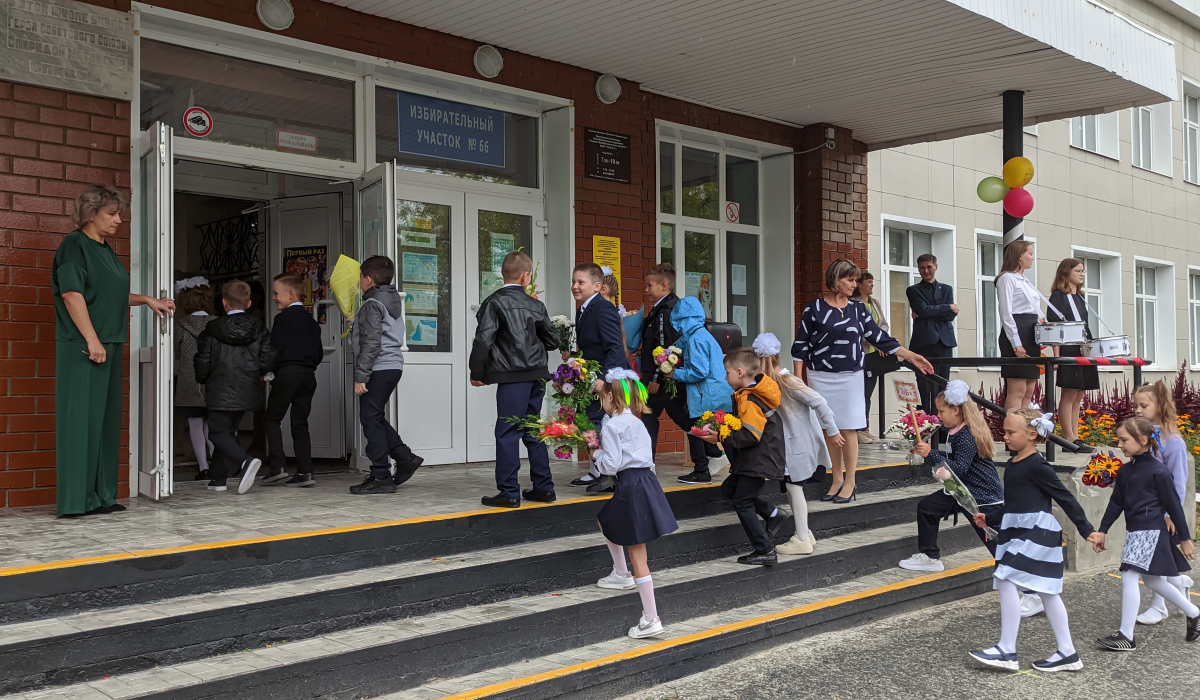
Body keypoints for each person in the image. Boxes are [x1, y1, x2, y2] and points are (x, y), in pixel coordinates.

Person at [53, 184, 175, 517]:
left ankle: (102, 496)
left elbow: (108, 294)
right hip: (83, 346)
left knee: (105, 423)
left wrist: (147, 299)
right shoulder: (74, 246)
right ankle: (76, 502)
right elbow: (72, 294)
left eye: (119, 213)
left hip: (110, 342)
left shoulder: (105, 249)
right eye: (112, 213)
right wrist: (92, 340)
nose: (119, 220)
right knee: (81, 424)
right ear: (91, 214)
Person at [969, 407, 1102, 673]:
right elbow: (1014, 503)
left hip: (1037, 532)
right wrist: (991, 515)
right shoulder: (1014, 462)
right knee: (1047, 591)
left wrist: (1087, 531)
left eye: (1010, 432)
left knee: (1007, 577)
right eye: (1004, 431)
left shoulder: (1038, 465)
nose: (1004, 436)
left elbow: (1065, 497)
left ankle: (1007, 650)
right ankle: (1067, 652)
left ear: (1032, 434)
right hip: (1019, 530)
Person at [792, 260, 934, 503]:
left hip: (851, 377)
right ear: (835, 280)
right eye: (849, 280)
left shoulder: (858, 310)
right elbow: (800, 346)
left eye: (856, 280)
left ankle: (850, 482)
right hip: (820, 376)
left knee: (848, 428)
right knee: (829, 428)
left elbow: (881, 339)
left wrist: (912, 356)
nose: (854, 284)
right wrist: (798, 380)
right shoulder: (814, 308)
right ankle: (836, 478)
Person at [1093, 417, 1199, 650]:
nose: (1119, 445)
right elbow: (1115, 503)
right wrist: (1102, 531)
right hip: (1136, 531)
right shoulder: (1125, 471)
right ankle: (1194, 612)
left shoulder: (1159, 472)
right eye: (1118, 440)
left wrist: (1185, 538)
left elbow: (1174, 507)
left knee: (1129, 576)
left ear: (1142, 440)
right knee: (1152, 581)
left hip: (1150, 531)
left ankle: (1126, 635)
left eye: (1124, 440)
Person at [593, 368, 679, 639]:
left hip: (630, 484)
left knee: (637, 554)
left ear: (609, 396)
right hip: (646, 482)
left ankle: (650, 617)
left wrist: (596, 453)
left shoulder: (611, 425)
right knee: (606, 519)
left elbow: (611, 465)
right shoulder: (637, 422)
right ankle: (621, 574)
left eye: (603, 397)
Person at [470, 251, 559, 508]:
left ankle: (509, 491)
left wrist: (477, 372)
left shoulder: (493, 303)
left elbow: (483, 339)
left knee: (508, 431)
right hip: (536, 375)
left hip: (511, 377)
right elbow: (552, 341)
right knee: (533, 429)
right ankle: (544, 488)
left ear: (503, 274)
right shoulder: (535, 304)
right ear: (526, 276)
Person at [697, 347, 791, 567]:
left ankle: (764, 549)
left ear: (740, 372)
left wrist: (720, 436)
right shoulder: (753, 392)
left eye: (727, 373)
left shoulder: (749, 399)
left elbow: (751, 435)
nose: (725, 377)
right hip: (757, 458)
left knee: (742, 501)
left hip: (757, 459)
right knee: (730, 489)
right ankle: (774, 514)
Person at [899, 380, 1004, 572]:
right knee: (927, 508)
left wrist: (930, 454)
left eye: (941, 412)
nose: (939, 417)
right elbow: (953, 461)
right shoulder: (957, 431)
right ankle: (930, 557)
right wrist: (928, 453)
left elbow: (959, 468)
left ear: (955, 410)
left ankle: (1024, 581)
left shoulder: (966, 435)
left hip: (980, 496)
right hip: (960, 489)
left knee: (994, 541)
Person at [754, 333, 840, 556]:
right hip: (792, 445)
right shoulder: (776, 381)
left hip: (796, 445)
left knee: (794, 488)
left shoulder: (785, 381)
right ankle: (804, 532)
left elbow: (819, 401)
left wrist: (832, 430)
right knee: (793, 488)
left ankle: (802, 537)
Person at [350, 256, 423, 495]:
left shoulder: (372, 304)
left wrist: (361, 375)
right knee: (374, 416)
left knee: (370, 419)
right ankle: (404, 457)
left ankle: (380, 474)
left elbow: (371, 342)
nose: (359, 281)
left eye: (360, 277)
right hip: (392, 366)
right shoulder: (388, 300)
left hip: (379, 366)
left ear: (368, 279)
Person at [193, 280, 274, 495]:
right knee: (227, 432)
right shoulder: (259, 328)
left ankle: (246, 461)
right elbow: (267, 358)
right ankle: (218, 479)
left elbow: (203, 360)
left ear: (223, 303)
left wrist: (201, 379)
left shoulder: (211, 330)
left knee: (217, 433)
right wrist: (262, 374)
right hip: (248, 388)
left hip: (219, 387)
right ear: (248, 304)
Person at [637, 265, 715, 477]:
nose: (646, 289)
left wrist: (655, 377)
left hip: (663, 379)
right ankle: (708, 452)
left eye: (649, 285)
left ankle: (705, 459)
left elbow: (664, 348)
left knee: (676, 419)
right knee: (668, 419)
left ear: (664, 286)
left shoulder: (666, 312)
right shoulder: (663, 308)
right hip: (665, 377)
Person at [1131, 381, 1195, 625]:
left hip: (1162, 513)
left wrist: (1170, 515)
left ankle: (1160, 606)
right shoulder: (1141, 437)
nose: (1138, 409)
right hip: (1145, 509)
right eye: (1136, 405)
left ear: (1160, 406)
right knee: (1156, 561)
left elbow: (1178, 483)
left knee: (1155, 563)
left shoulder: (1173, 442)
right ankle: (1180, 584)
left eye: (1144, 405)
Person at [568, 262, 630, 492]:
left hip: (605, 379)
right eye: (573, 282)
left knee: (601, 424)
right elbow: (592, 345)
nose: (575, 286)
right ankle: (597, 470)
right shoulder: (584, 308)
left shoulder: (603, 309)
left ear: (597, 286)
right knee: (588, 422)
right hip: (591, 377)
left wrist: (605, 379)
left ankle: (609, 475)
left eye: (580, 282)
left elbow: (614, 347)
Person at [262, 272, 324, 487]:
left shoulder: (282, 319)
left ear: (290, 294)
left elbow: (274, 349)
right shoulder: (311, 321)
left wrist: (265, 370)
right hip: (308, 376)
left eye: (276, 293)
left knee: (272, 419)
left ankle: (277, 467)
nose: (274, 298)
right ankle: (306, 472)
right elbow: (318, 353)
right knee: (300, 423)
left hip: (287, 374)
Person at [669, 296, 734, 484]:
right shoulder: (699, 334)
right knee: (706, 429)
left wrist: (674, 374)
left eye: (679, 321)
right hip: (712, 392)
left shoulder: (695, 340)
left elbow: (699, 371)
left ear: (684, 320)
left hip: (705, 393)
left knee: (695, 429)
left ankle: (701, 470)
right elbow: (680, 344)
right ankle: (719, 459)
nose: (677, 326)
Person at [1047, 258, 1099, 446]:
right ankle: (1068, 438)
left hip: (1083, 347)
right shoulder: (1058, 296)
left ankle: (1076, 436)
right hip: (1068, 347)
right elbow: (1055, 327)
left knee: (1079, 393)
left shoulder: (1080, 297)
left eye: (1083, 270)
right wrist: (1057, 356)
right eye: (1077, 270)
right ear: (1066, 272)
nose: (1081, 274)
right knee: (1069, 393)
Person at [905, 253, 958, 418]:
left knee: (943, 385)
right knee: (924, 386)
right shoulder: (913, 290)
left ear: (936, 266)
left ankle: (943, 425)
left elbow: (950, 316)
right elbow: (922, 310)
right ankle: (926, 423)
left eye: (929, 267)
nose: (926, 270)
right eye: (922, 268)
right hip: (924, 342)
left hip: (944, 341)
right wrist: (948, 307)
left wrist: (931, 312)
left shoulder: (947, 289)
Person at [175, 277, 215, 481]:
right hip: (214, 380)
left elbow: (176, 352)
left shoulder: (181, 325)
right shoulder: (217, 324)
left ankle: (203, 467)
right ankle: (218, 463)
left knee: (195, 423)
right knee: (214, 423)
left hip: (190, 381)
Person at [995, 241, 1043, 411]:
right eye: (1030, 253)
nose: (1033, 257)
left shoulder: (1025, 279)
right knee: (1018, 388)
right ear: (1019, 256)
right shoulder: (1007, 278)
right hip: (1017, 331)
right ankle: (1013, 431)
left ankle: (1023, 431)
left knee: (1029, 388)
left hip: (1030, 330)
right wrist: (1016, 342)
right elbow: (1005, 313)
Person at [853, 271, 893, 442]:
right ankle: (856, 429)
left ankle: (864, 428)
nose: (872, 285)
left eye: (872, 281)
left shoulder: (874, 303)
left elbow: (884, 324)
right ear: (859, 284)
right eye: (868, 282)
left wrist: (879, 340)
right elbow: (855, 327)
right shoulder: (853, 303)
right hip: (859, 355)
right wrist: (873, 339)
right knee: (857, 393)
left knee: (867, 393)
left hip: (874, 356)